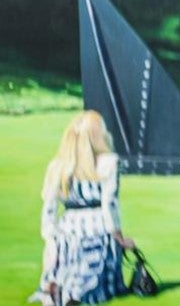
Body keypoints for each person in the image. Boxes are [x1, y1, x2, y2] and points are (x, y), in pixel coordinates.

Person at [32, 110, 133, 306]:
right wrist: (119, 236)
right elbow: (109, 204)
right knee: (93, 267)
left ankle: (57, 289)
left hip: (68, 228)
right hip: (97, 227)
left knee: (65, 263)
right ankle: (75, 294)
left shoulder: (57, 166)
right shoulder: (109, 162)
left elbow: (49, 206)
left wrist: (50, 235)